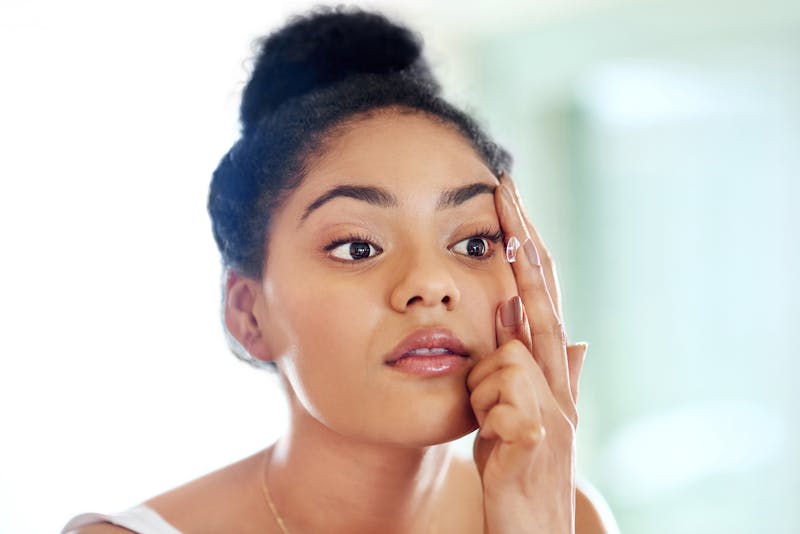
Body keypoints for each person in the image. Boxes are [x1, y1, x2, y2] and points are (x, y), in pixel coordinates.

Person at [63, 6, 616, 533]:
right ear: (249, 314)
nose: (431, 284)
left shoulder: (570, 515)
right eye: (357, 248)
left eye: (474, 244)